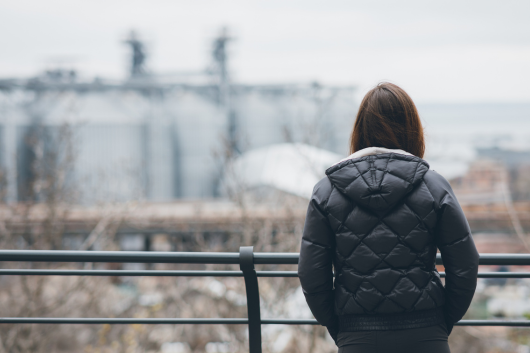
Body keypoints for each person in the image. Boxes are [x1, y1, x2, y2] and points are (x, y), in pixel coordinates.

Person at [298, 82, 479, 353]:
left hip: (357, 336)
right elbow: (465, 264)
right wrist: (440, 322)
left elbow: (312, 274)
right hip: (426, 332)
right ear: (413, 129)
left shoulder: (326, 191)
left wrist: (341, 327)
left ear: (359, 130)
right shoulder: (433, 186)